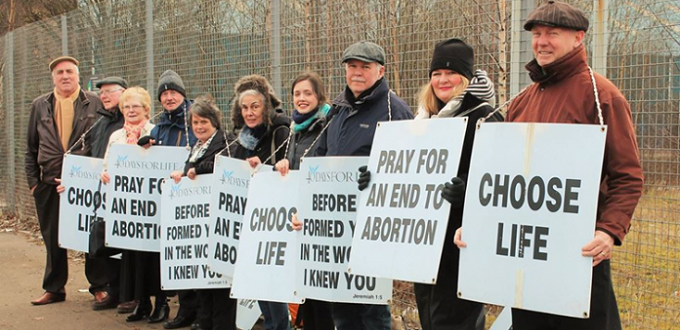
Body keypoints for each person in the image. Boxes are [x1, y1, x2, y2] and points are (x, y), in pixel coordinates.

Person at [454, 2, 644, 330]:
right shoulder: (523, 100)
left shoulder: (602, 97)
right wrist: (477, 224)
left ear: (578, 38)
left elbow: (628, 176)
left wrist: (608, 231)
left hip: (578, 252)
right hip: (525, 254)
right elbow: (504, 177)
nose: (542, 41)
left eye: (552, 34)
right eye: (537, 34)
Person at [314, 41, 414, 330]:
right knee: (341, 305)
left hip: (371, 228)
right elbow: (319, 156)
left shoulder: (394, 111)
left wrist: (378, 178)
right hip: (335, 225)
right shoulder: (337, 111)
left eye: (365, 67)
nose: (357, 73)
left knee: (371, 306)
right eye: (352, 66)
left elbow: (408, 169)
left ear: (380, 71)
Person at [411, 38, 501, 330]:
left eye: (451, 73)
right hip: (424, 239)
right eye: (436, 73)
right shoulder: (422, 120)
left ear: (467, 77)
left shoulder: (485, 117)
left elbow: (499, 180)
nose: (442, 79)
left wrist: (469, 193)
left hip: (461, 241)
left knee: (453, 320)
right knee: (429, 317)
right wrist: (375, 179)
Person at [25, 56, 102, 305]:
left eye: (70, 71)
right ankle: (54, 288)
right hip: (48, 182)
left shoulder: (95, 102)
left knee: (90, 233)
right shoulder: (40, 105)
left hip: (85, 183)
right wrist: (34, 183)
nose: (65, 76)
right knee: (52, 236)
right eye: (60, 72)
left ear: (78, 75)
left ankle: (99, 286)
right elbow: (30, 147)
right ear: (53, 77)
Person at [169, 96, 238, 330]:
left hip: (218, 224)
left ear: (214, 122)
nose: (199, 127)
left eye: (203, 122)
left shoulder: (226, 142)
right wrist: (182, 174)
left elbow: (221, 167)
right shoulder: (196, 147)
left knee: (220, 287)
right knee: (204, 284)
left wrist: (195, 169)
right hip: (199, 227)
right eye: (195, 122)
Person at [138, 69, 199, 329]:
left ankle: (193, 309)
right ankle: (176, 305)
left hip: (193, 197)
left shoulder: (195, 118)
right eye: (164, 93)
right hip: (168, 201)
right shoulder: (160, 126)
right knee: (173, 254)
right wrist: (147, 149)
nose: (169, 97)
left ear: (182, 94)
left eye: (174, 92)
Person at [274, 72, 334, 330]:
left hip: (321, 216)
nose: (301, 98)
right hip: (299, 218)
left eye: (307, 93)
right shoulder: (294, 130)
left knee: (321, 295)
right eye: (297, 94)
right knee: (306, 291)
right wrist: (284, 165)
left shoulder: (327, 124)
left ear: (319, 96)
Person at [231, 76, 291, 330]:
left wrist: (262, 166)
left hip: (274, 219)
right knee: (258, 282)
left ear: (266, 105)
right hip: (251, 218)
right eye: (244, 108)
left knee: (272, 282)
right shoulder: (243, 138)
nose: (249, 112)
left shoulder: (281, 130)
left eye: (255, 106)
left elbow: (285, 169)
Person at [100, 87, 161, 323]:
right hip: (127, 210)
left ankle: (159, 303)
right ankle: (140, 302)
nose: (131, 110)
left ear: (146, 109)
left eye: (136, 106)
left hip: (150, 209)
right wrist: (104, 174)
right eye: (126, 106)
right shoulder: (116, 136)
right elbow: (106, 165)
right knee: (131, 256)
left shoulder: (154, 132)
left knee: (150, 257)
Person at [82, 76, 128, 311]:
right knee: (101, 240)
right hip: (102, 194)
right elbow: (91, 158)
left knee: (122, 243)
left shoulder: (130, 121)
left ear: (124, 92)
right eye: (102, 92)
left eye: (110, 91)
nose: (105, 95)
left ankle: (125, 291)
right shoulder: (98, 125)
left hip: (126, 195)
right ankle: (106, 289)